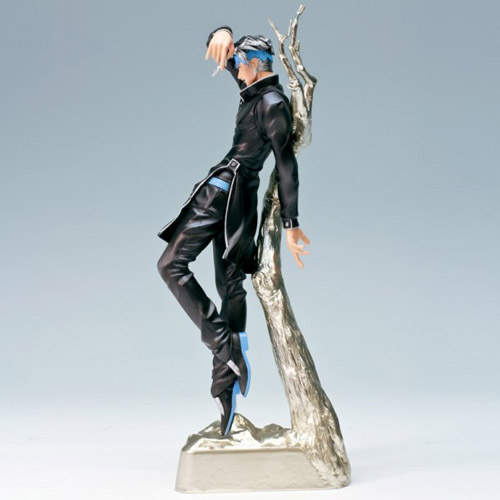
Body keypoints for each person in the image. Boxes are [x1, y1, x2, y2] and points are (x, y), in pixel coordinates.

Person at [156, 26, 310, 435]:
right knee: (221, 287)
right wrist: (221, 31)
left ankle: (226, 354)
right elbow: (221, 50)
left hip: (228, 193)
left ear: (256, 65)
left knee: (185, 271)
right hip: (232, 193)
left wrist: (292, 225)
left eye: (241, 63)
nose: (235, 69)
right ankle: (227, 368)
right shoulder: (255, 91)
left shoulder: (271, 104)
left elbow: (287, 164)